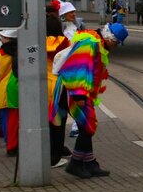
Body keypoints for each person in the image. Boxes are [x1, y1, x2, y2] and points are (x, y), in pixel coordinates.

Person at [51, 21, 128, 178]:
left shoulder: (96, 43)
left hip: (79, 91)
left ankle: (89, 162)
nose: (114, 47)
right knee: (87, 127)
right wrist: (79, 95)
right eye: (116, 43)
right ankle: (76, 163)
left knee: (86, 126)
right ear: (110, 39)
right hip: (74, 91)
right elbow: (77, 68)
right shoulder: (90, 44)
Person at [45, 11, 72, 165]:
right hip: (59, 86)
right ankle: (55, 156)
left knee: (46, 120)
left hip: (43, 84)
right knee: (59, 120)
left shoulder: (38, 41)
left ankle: (47, 152)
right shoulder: (65, 42)